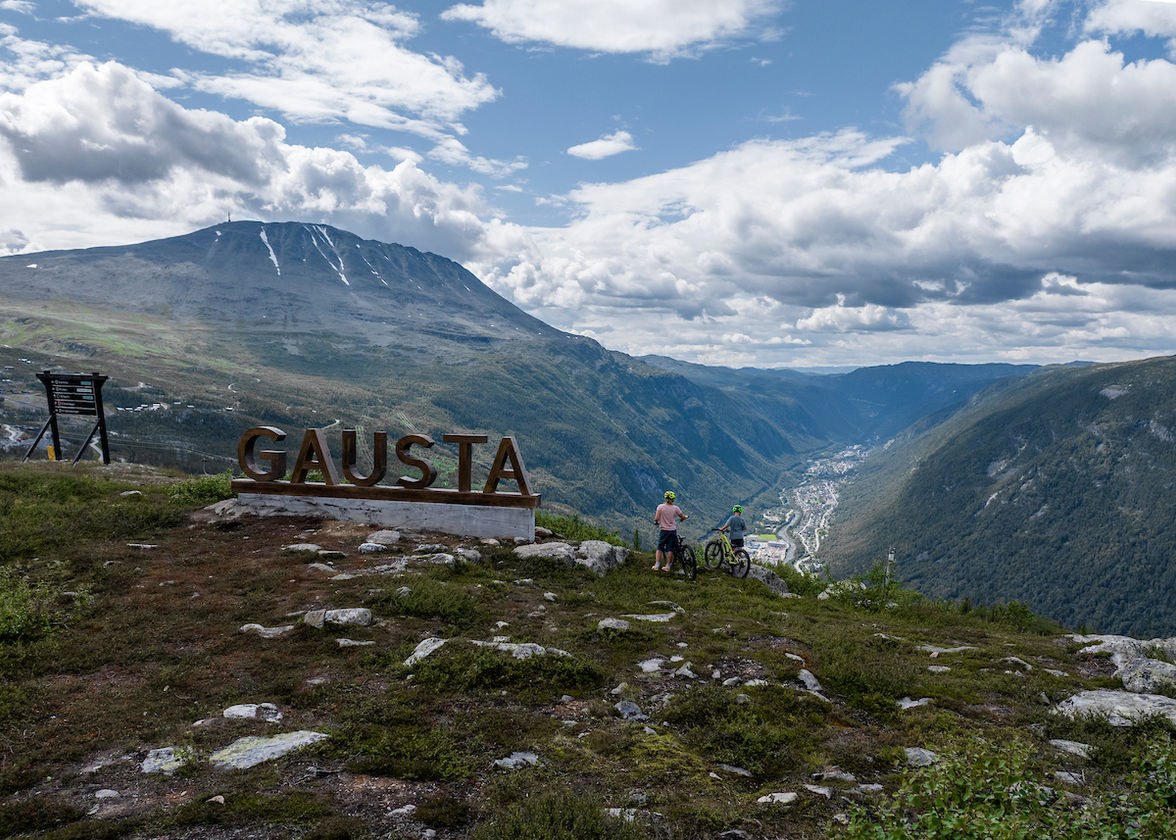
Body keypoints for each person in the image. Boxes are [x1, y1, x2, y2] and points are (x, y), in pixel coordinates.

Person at [653, 490, 688, 572]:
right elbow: (682, 516)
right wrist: (685, 517)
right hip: (672, 530)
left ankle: (657, 565)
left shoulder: (660, 507)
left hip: (663, 531)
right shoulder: (675, 508)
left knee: (660, 547)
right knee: (670, 548)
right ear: (673, 499)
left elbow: (656, 519)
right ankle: (668, 566)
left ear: (666, 498)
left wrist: (656, 522)